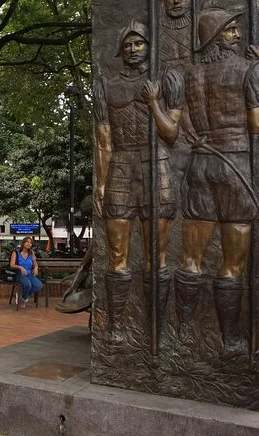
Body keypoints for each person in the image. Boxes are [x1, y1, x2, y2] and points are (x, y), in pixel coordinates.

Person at [143, 9, 259, 353]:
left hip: (200, 169)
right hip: (235, 166)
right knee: (233, 263)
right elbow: (256, 125)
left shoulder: (187, 76)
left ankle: (185, 332)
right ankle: (230, 339)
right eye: (231, 31)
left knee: (190, 258)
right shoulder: (250, 70)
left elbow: (172, 131)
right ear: (216, 38)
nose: (238, 36)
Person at [94, 21, 177, 340]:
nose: (132, 49)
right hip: (121, 167)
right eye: (127, 44)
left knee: (157, 256)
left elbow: (171, 134)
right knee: (117, 255)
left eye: (139, 43)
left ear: (149, 46)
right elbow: (104, 139)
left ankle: (156, 327)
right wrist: (101, 182)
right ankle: (115, 326)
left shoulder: (166, 80)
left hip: (157, 166)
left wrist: (153, 101)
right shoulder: (107, 85)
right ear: (120, 49)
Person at [9, 237, 43, 310]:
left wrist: (36, 268)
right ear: (23, 243)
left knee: (38, 285)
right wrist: (20, 267)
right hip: (19, 274)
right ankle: (24, 300)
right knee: (28, 285)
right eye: (27, 242)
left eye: (30, 243)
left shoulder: (31, 253)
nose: (29, 244)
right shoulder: (16, 252)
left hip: (29, 273)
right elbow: (12, 265)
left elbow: (35, 263)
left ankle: (23, 297)